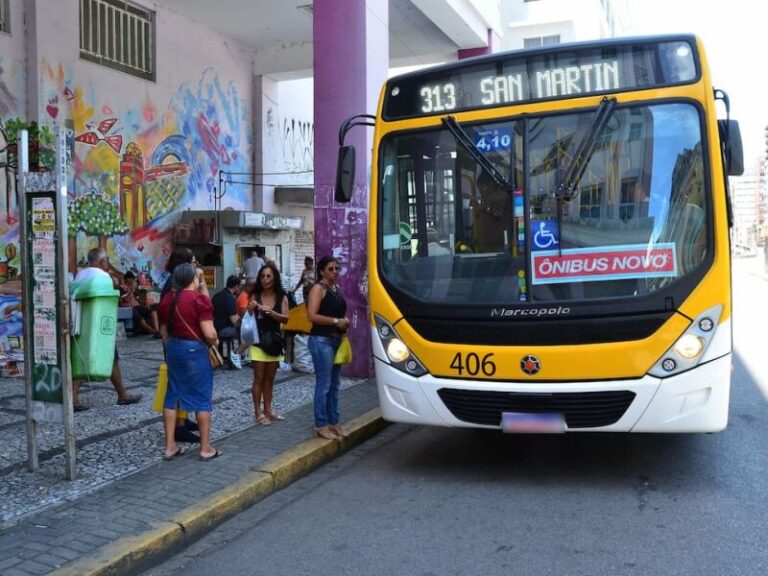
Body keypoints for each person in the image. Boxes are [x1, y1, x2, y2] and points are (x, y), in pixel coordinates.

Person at [158, 263, 220, 461]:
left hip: (174, 348)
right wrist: (215, 340)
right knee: (202, 397)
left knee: (172, 395)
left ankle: (170, 447)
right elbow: (209, 333)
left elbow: (163, 331)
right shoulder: (198, 300)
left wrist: (172, 346)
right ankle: (205, 448)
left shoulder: (168, 299)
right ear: (193, 279)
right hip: (194, 349)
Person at [72, 248, 142, 411]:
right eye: (107, 261)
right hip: (100, 325)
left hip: (82, 322)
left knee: (82, 357)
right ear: (103, 261)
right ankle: (122, 395)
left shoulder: (81, 275)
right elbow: (115, 295)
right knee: (110, 357)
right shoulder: (103, 276)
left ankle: (76, 397)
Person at [306, 255, 350, 439]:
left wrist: (343, 325)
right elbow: (312, 315)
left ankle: (334, 421)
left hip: (336, 339)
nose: (335, 272)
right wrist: (336, 321)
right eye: (331, 269)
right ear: (322, 271)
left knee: (334, 384)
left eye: (337, 268)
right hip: (321, 340)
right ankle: (320, 423)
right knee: (324, 384)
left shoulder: (336, 288)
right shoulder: (318, 288)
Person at [248, 263, 289, 425]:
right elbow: (246, 317)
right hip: (258, 341)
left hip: (274, 342)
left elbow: (286, 318)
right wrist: (251, 309)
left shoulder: (282, 296)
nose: (265, 279)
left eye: (269, 276)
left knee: (270, 378)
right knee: (259, 377)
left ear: (275, 278)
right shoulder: (255, 295)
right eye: (262, 276)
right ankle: (258, 413)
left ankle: (268, 410)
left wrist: (271, 313)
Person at [212, 275, 241, 366]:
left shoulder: (216, 296)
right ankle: (238, 355)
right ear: (236, 286)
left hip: (214, 327)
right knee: (246, 332)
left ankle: (225, 355)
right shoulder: (231, 298)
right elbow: (234, 320)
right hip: (225, 329)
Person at [121, 271, 160, 336]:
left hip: (138, 306)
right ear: (128, 279)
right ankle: (153, 331)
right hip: (129, 309)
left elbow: (138, 299)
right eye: (133, 279)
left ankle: (157, 330)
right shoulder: (121, 288)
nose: (134, 280)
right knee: (139, 316)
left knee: (153, 310)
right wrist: (133, 289)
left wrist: (143, 299)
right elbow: (127, 300)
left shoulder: (131, 287)